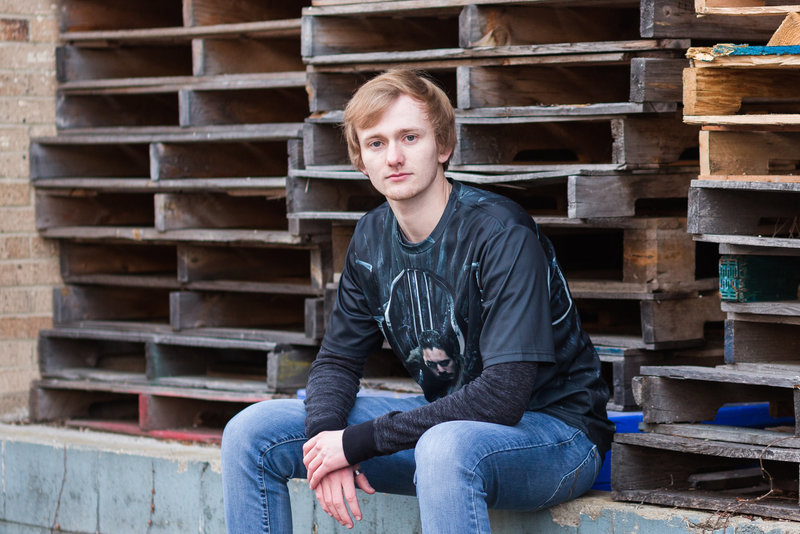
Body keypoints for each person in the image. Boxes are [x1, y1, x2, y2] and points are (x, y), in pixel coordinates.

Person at [221, 69, 615, 534]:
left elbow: (504, 397)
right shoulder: (370, 238)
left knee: (444, 448)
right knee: (251, 433)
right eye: (376, 143)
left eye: (410, 136)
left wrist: (357, 443)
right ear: (361, 161)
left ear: (443, 146)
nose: (394, 157)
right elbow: (337, 362)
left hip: (555, 436)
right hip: (450, 432)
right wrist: (326, 445)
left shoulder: (501, 233)